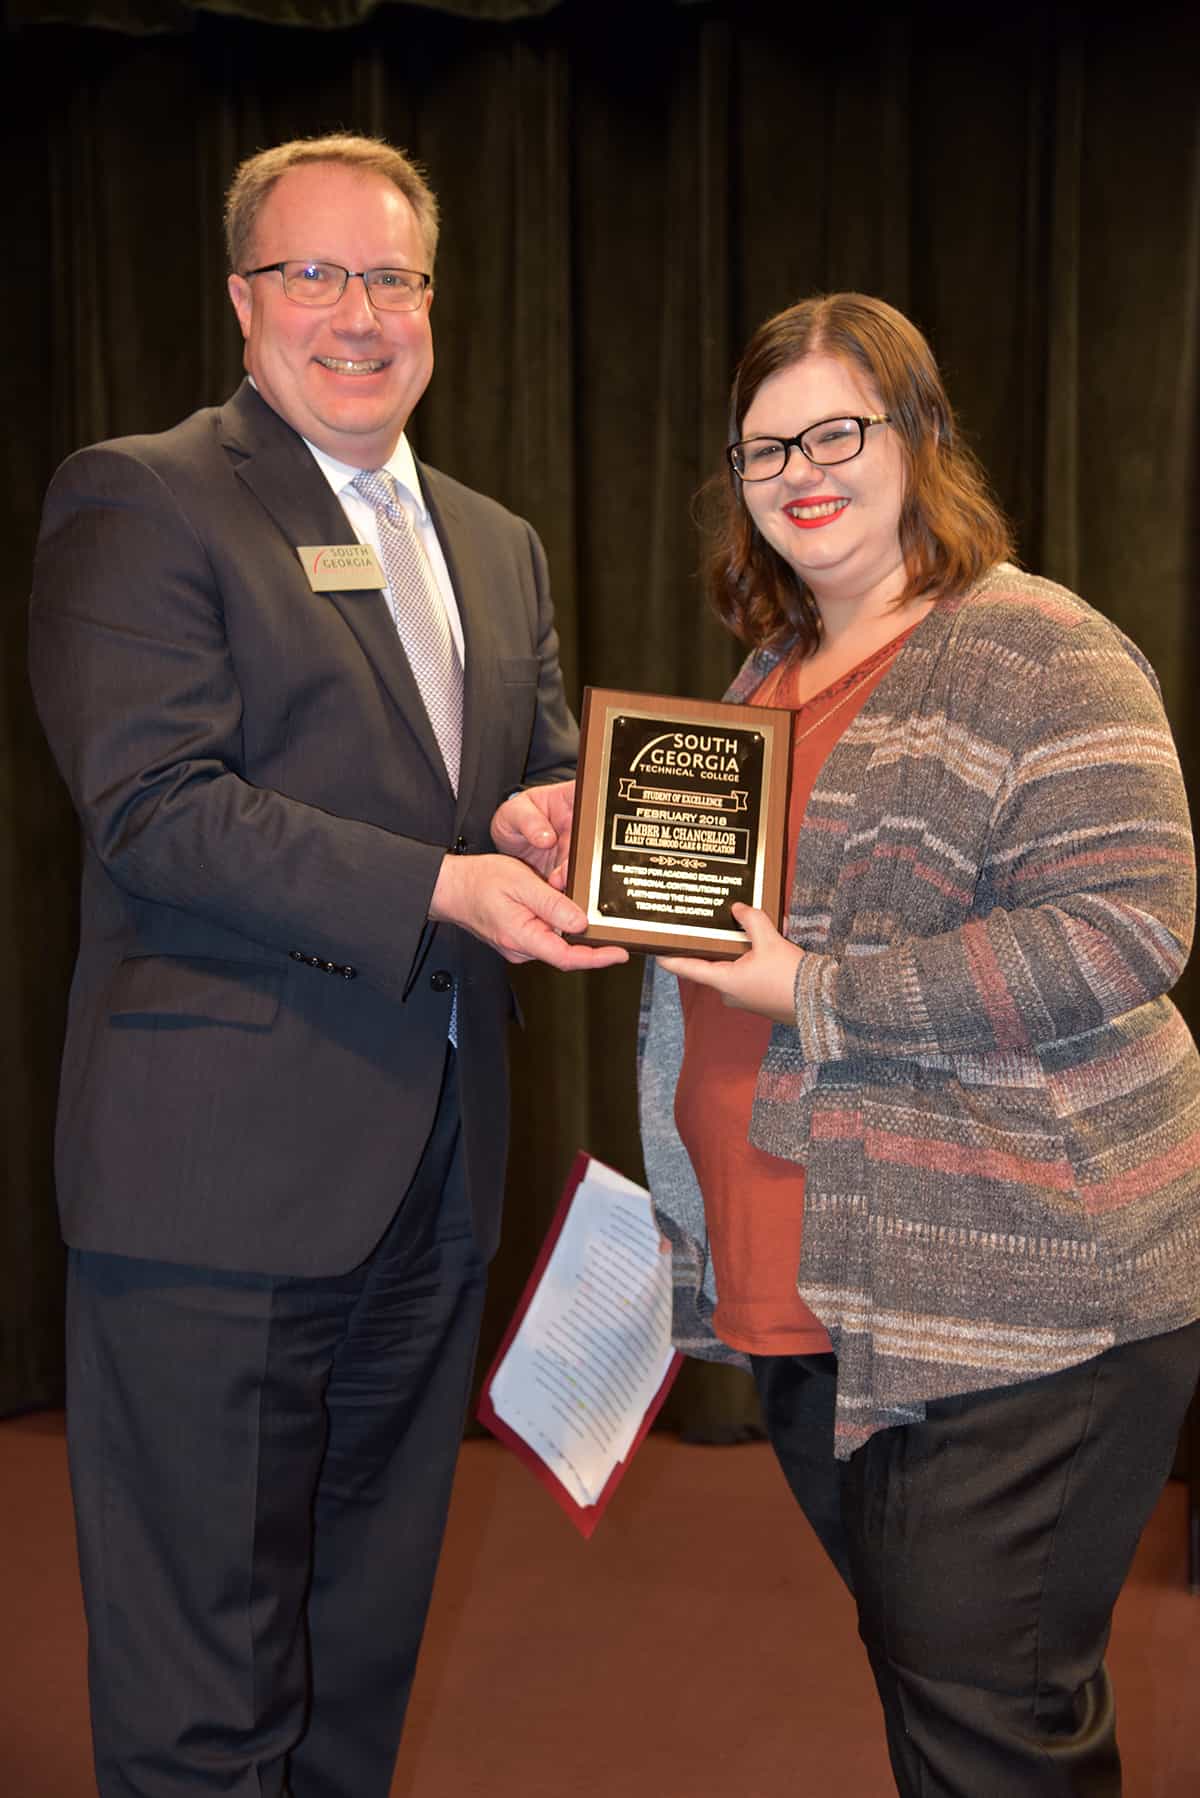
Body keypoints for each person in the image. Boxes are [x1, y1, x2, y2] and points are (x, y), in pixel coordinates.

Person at [29, 132, 625, 1798]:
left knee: (357, 1655)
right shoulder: (143, 494)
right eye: (314, 272)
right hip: (210, 1191)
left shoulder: (496, 541)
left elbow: (523, 769)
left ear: (435, 302)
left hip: (429, 1184)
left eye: (393, 276)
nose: (356, 313)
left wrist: (556, 819)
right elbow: (158, 807)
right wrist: (439, 883)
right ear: (242, 299)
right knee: (203, 1680)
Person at [637, 291, 1200, 1796]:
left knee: (990, 1717)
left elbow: (1126, 929)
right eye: (766, 448)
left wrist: (818, 989)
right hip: (837, 1303)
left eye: (839, 430)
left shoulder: (1038, 649)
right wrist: (582, 844)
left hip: (1019, 1308)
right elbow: (717, 924)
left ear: (920, 438)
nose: (801, 470)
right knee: (956, 1704)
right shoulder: (767, 676)